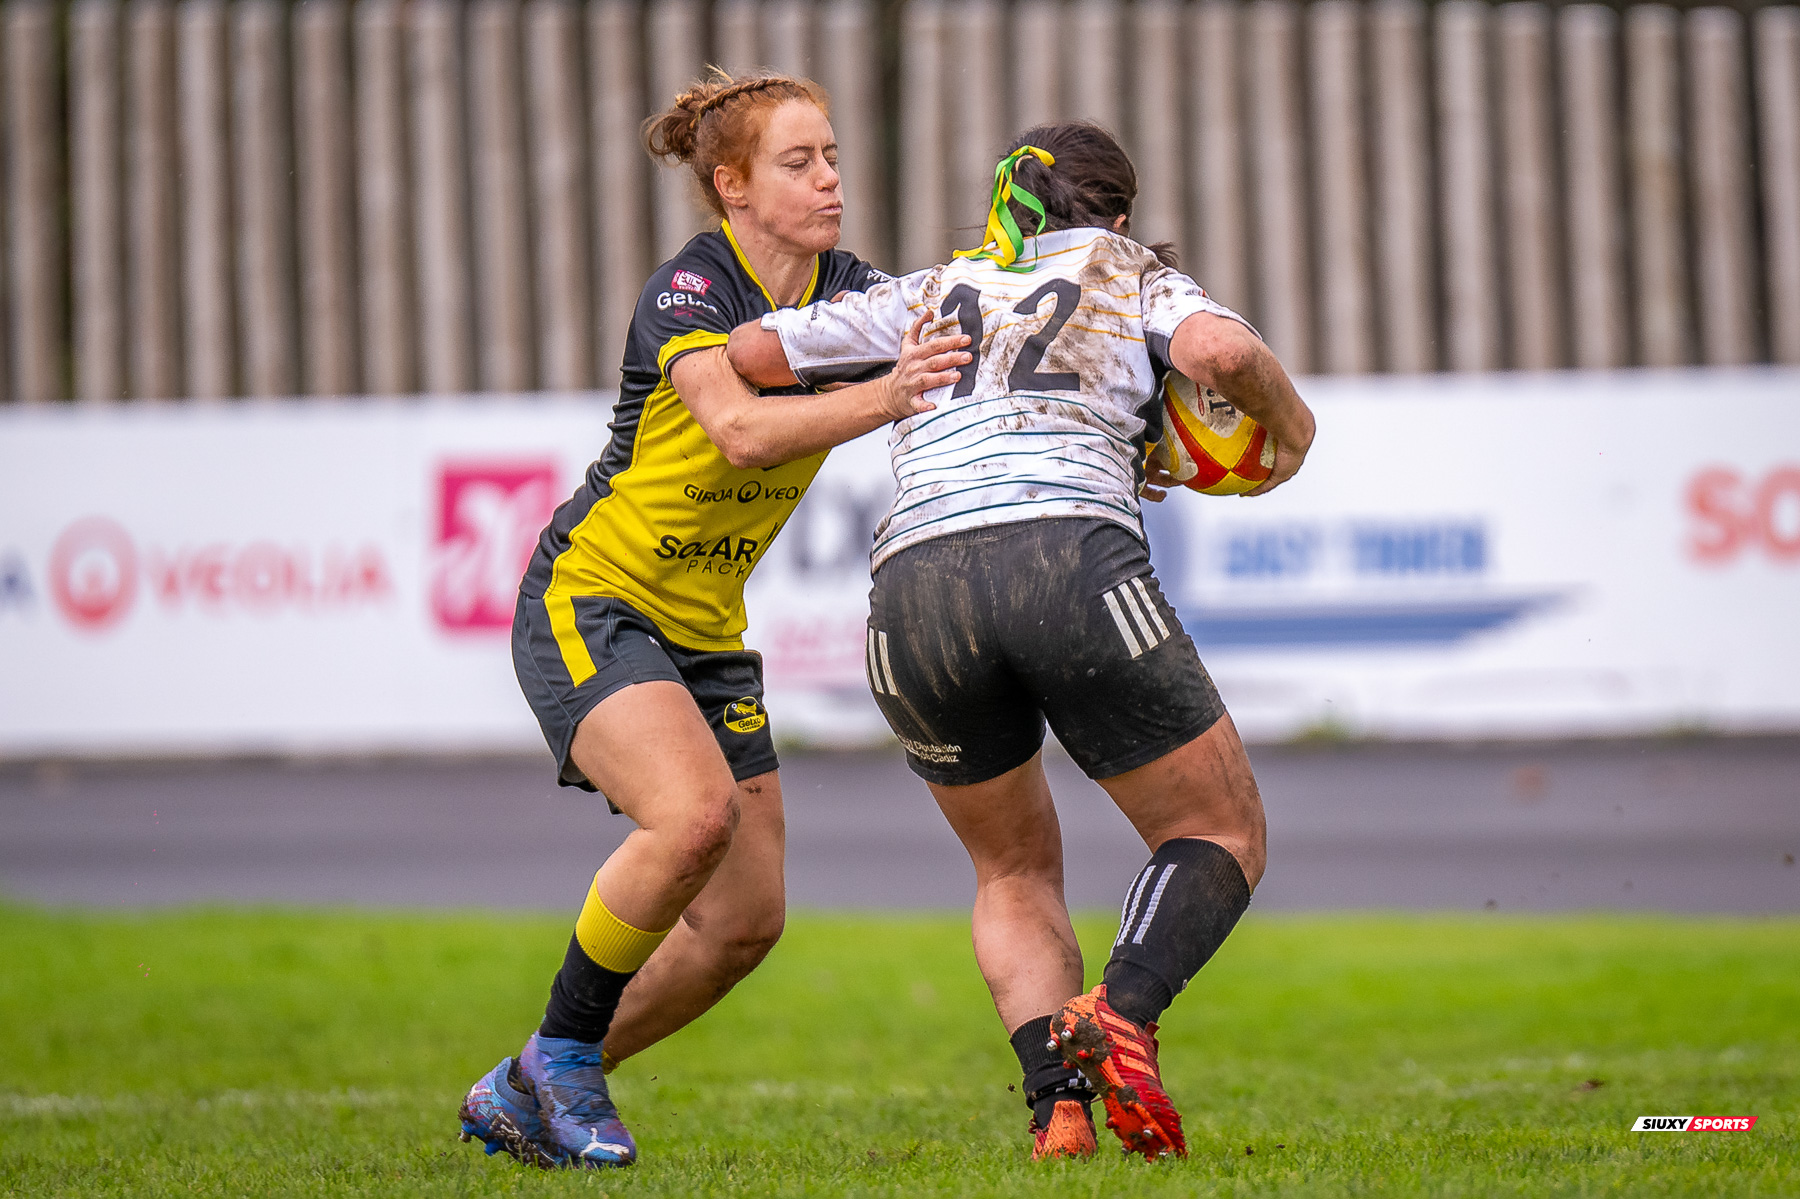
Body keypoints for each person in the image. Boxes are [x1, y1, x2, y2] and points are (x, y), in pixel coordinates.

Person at [727, 121, 1316, 1162]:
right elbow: (1221, 355)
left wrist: (890, 381)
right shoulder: (1124, 269)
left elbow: (755, 350)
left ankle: (1058, 1112)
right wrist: (1292, 430)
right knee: (1221, 830)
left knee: (1010, 869)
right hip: (1065, 558)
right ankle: (1122, 1008)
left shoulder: (928, 290)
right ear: (1118, 218)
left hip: (910, 589)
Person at [456, 70, 973, 1170]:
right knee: (692, 820)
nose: (831, 177)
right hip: (593, 595)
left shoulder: (852, 292)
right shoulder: (692, 287)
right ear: (731, 184)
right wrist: (890, 394)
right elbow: (739, 430)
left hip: (706, 631)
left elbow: (969, 348)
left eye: (832, 155)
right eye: (800, 161)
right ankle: (562, 1056)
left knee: (744, 923)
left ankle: (526, 1075)